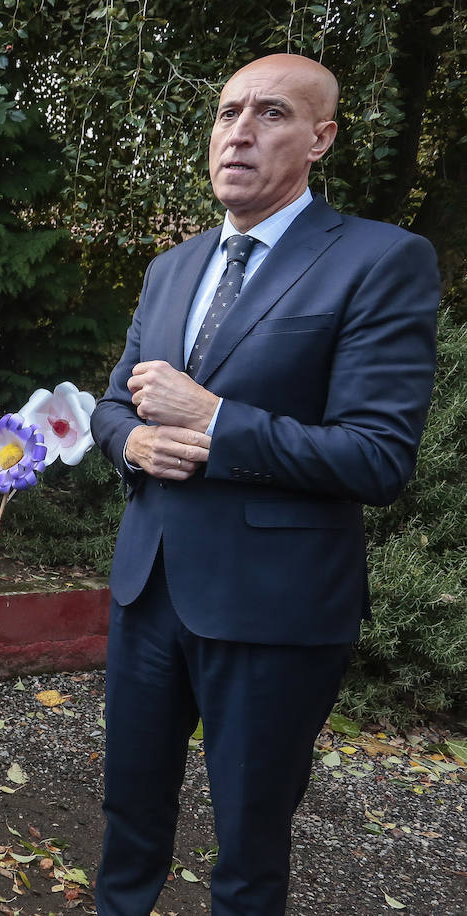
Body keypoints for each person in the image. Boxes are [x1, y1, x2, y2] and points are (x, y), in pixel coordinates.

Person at [90, 55, 439, 915]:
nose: (238, 131)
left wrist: (215, 420)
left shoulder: (380, 260)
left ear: (321, 138)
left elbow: (377, 456)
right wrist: (133, 442)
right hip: (150, 590)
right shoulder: (172, 266)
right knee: (128, 818)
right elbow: (108, 405)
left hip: (275, 607)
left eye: (271, 113)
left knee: (250, 845)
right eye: (227, 111)